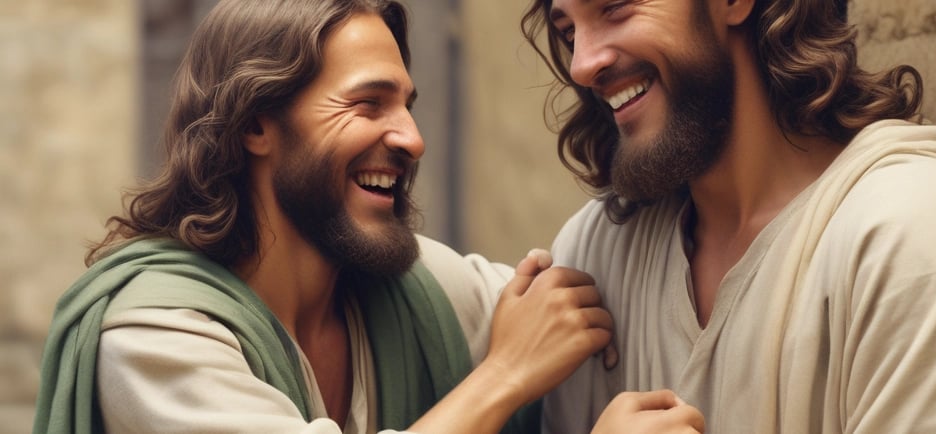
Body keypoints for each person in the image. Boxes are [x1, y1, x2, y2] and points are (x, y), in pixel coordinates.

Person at [32, 1, 616, 433]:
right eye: (368, 104)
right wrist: (506, 374)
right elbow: (524, 352)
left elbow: (582, 310)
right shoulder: (154, 338)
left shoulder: (419, 294)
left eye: (407, 107)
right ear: (255, 125)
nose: (412, 139)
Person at [521, 0, 936, 432]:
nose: (583, 64)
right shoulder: (597, 257)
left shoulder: (911, 236)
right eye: (568, 31)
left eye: (615, 7)